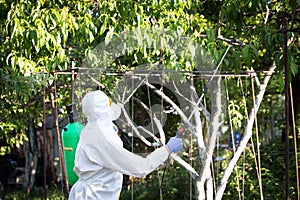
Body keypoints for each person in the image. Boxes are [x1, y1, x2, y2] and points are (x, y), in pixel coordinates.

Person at [68, 90, 183, 200]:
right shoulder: (102, 139)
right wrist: (167, 149)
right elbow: (140, 168)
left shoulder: (89, 130)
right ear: (106, 112)